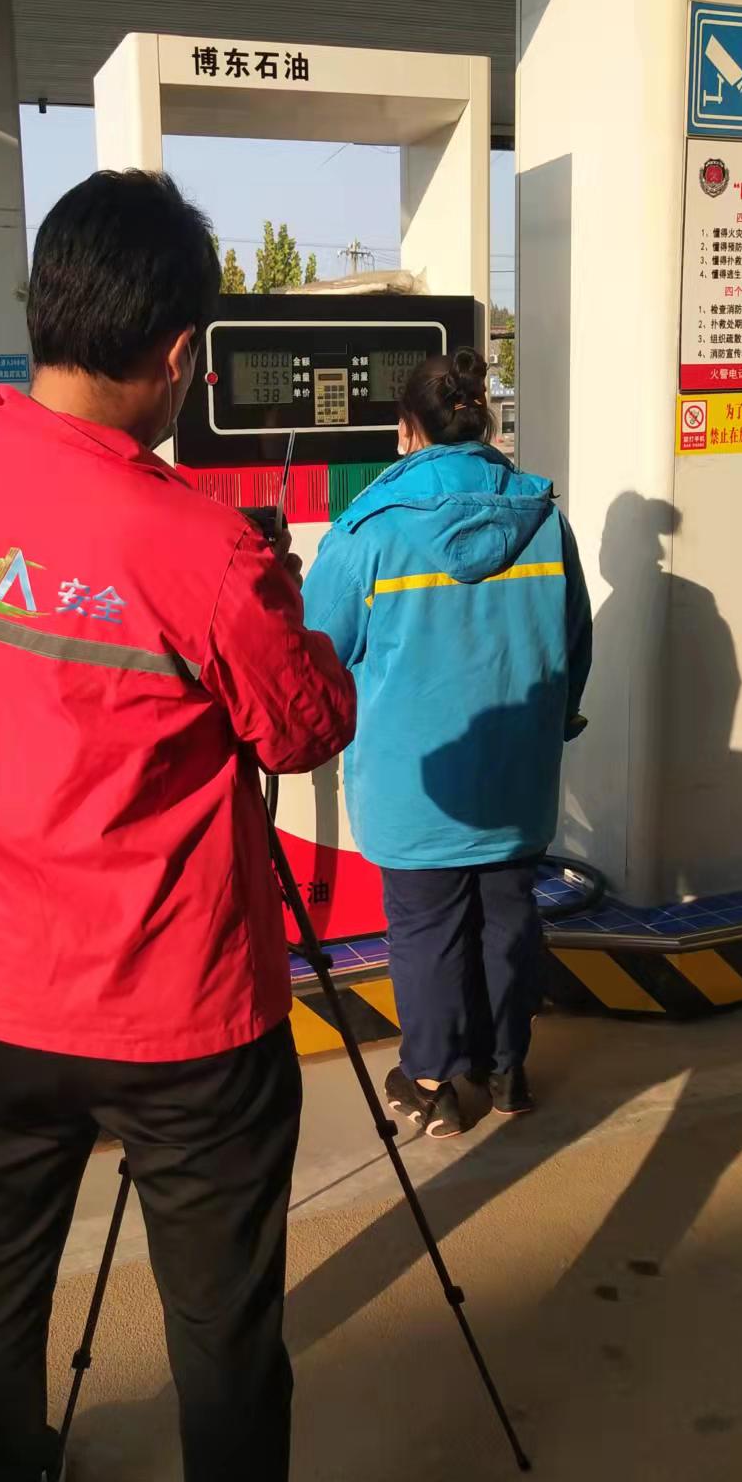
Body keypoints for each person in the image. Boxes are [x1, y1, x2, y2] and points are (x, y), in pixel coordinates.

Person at [0, 170, 356, 1482]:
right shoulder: (201, 547)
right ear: (179, 352)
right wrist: (292, 622)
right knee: (221, 1324)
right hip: (182, 1016)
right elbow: (302, 728)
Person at [302, 346, 591, 1139]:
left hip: (414, 781)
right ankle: (505, 1070)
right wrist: (557, 723)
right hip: (516, 770)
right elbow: (573, 643)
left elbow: (314, 651)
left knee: (426, 928)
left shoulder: (364, 534)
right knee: (507, 919)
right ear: (480, 421)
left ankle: (431, 1083)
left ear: (407, 429)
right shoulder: (544, 521)